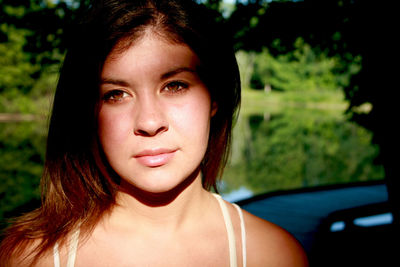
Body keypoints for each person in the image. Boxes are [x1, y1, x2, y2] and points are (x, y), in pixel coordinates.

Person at [0, 0, 308, 266]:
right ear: (89, 112)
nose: (149, 122)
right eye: (116, 94)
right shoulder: (30, 257)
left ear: (215, 98)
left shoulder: (272, 255)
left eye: (174, 86)